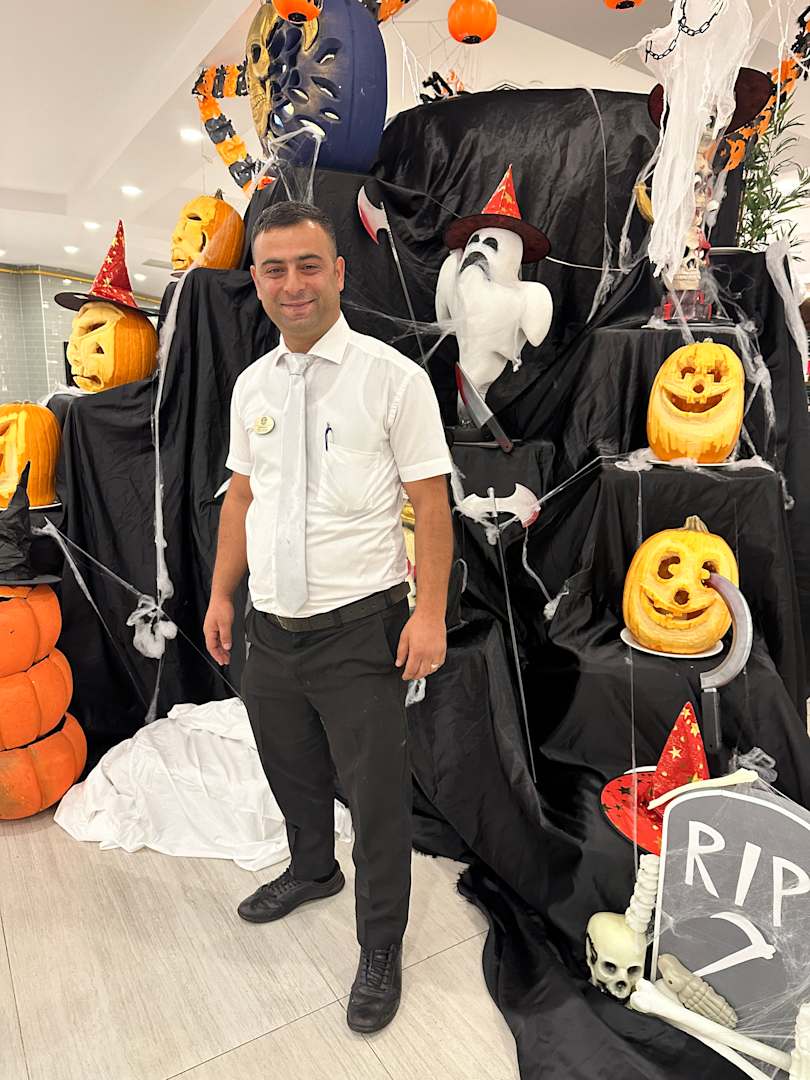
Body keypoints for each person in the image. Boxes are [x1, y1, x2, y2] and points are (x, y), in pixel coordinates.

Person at [203, 201, 453, 1033]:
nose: (293, 284)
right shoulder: (252, 386)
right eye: (274, 269)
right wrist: (221, 596)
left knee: (376, 800)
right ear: (256, 281)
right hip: (271, 627)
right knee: (291, 767)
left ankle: (380, 944)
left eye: (308, 265)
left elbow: (431, 504)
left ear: (339, 273)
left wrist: (430, 613)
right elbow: (241, 498)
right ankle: (312, 870)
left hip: (360, 628)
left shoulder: (393, 378)